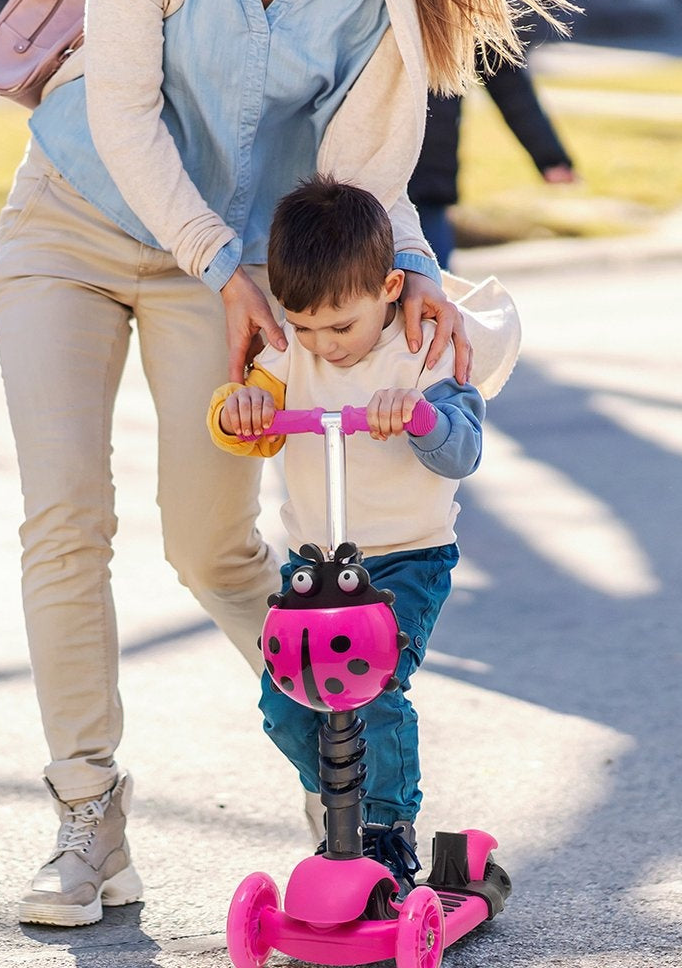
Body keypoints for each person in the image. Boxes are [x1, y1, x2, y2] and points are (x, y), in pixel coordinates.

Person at [0, 0, 652, 928]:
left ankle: (345, 793)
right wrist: (218, 262)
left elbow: (361, 172)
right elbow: (122, 110)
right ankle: (88, 822)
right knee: (64, 519)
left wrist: (423, 282)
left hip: (239, 273)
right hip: (78, 227)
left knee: (214, 549)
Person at [208, 176, 486, 892]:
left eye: (340, 327)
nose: (321, 345)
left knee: (374, 684)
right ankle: (345, 811)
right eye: (303, 326)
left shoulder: (423, 350)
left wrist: (421, 417)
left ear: (391, 287)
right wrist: (238, 409)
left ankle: (387, 830)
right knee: (285, 703)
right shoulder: (289, 354)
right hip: (312, 566)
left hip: (405, 561)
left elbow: (464, 450)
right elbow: (249, 426)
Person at [411, 57, 576, 267]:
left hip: (426, 179)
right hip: (372, 176)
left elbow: (505, 75)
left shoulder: (463, 23)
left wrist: (549, 156)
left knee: (434, 283)